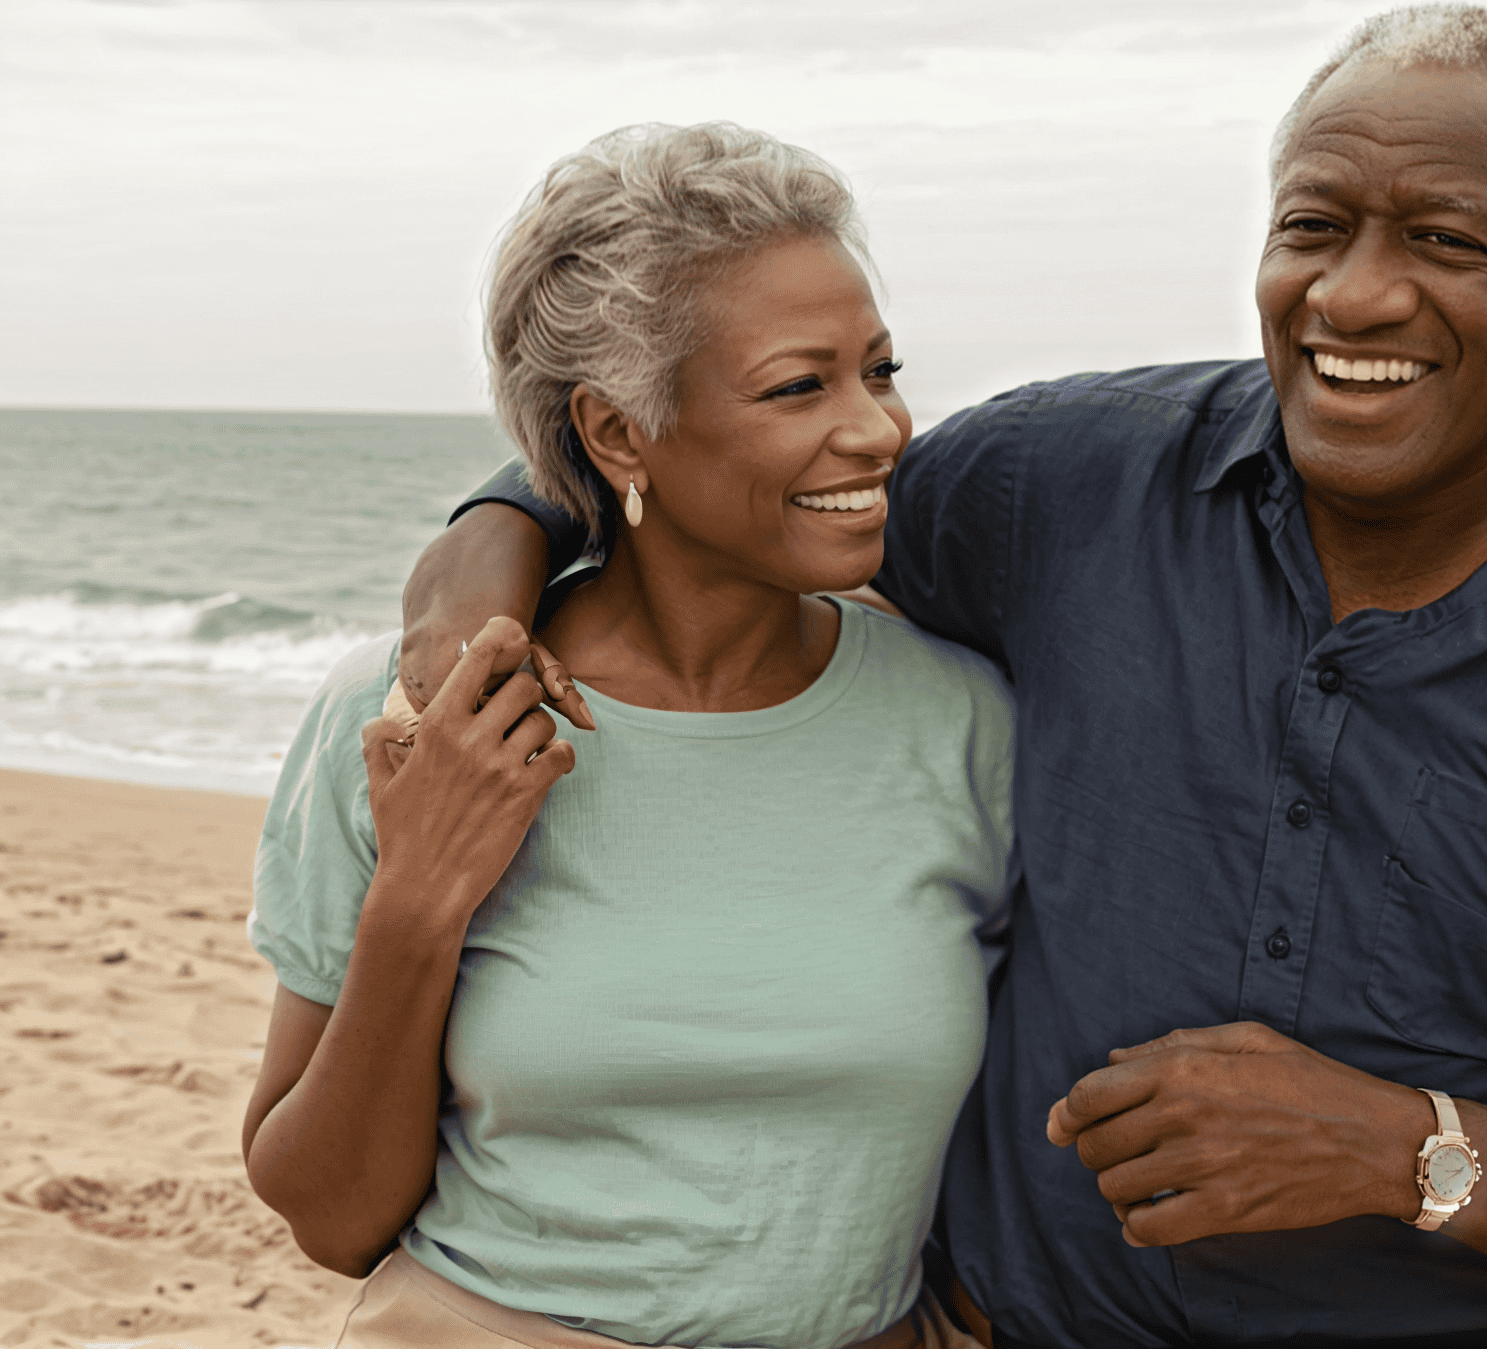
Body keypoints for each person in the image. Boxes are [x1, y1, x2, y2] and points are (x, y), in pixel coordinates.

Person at [401, 7, 1487, 1347]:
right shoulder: (1071, 484)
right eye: (1316, 225)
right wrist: (495, 541)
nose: (1357, 296)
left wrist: (1409, 1152)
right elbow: (741, 481)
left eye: (1446, 241)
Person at [241, 123, 1011, 1348]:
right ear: (614, 433)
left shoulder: (967, 719)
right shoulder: (402, 717)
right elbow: (331, 1217)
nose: (877, 430)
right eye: (798, 385)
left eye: (880, 367)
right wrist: (421, 896)